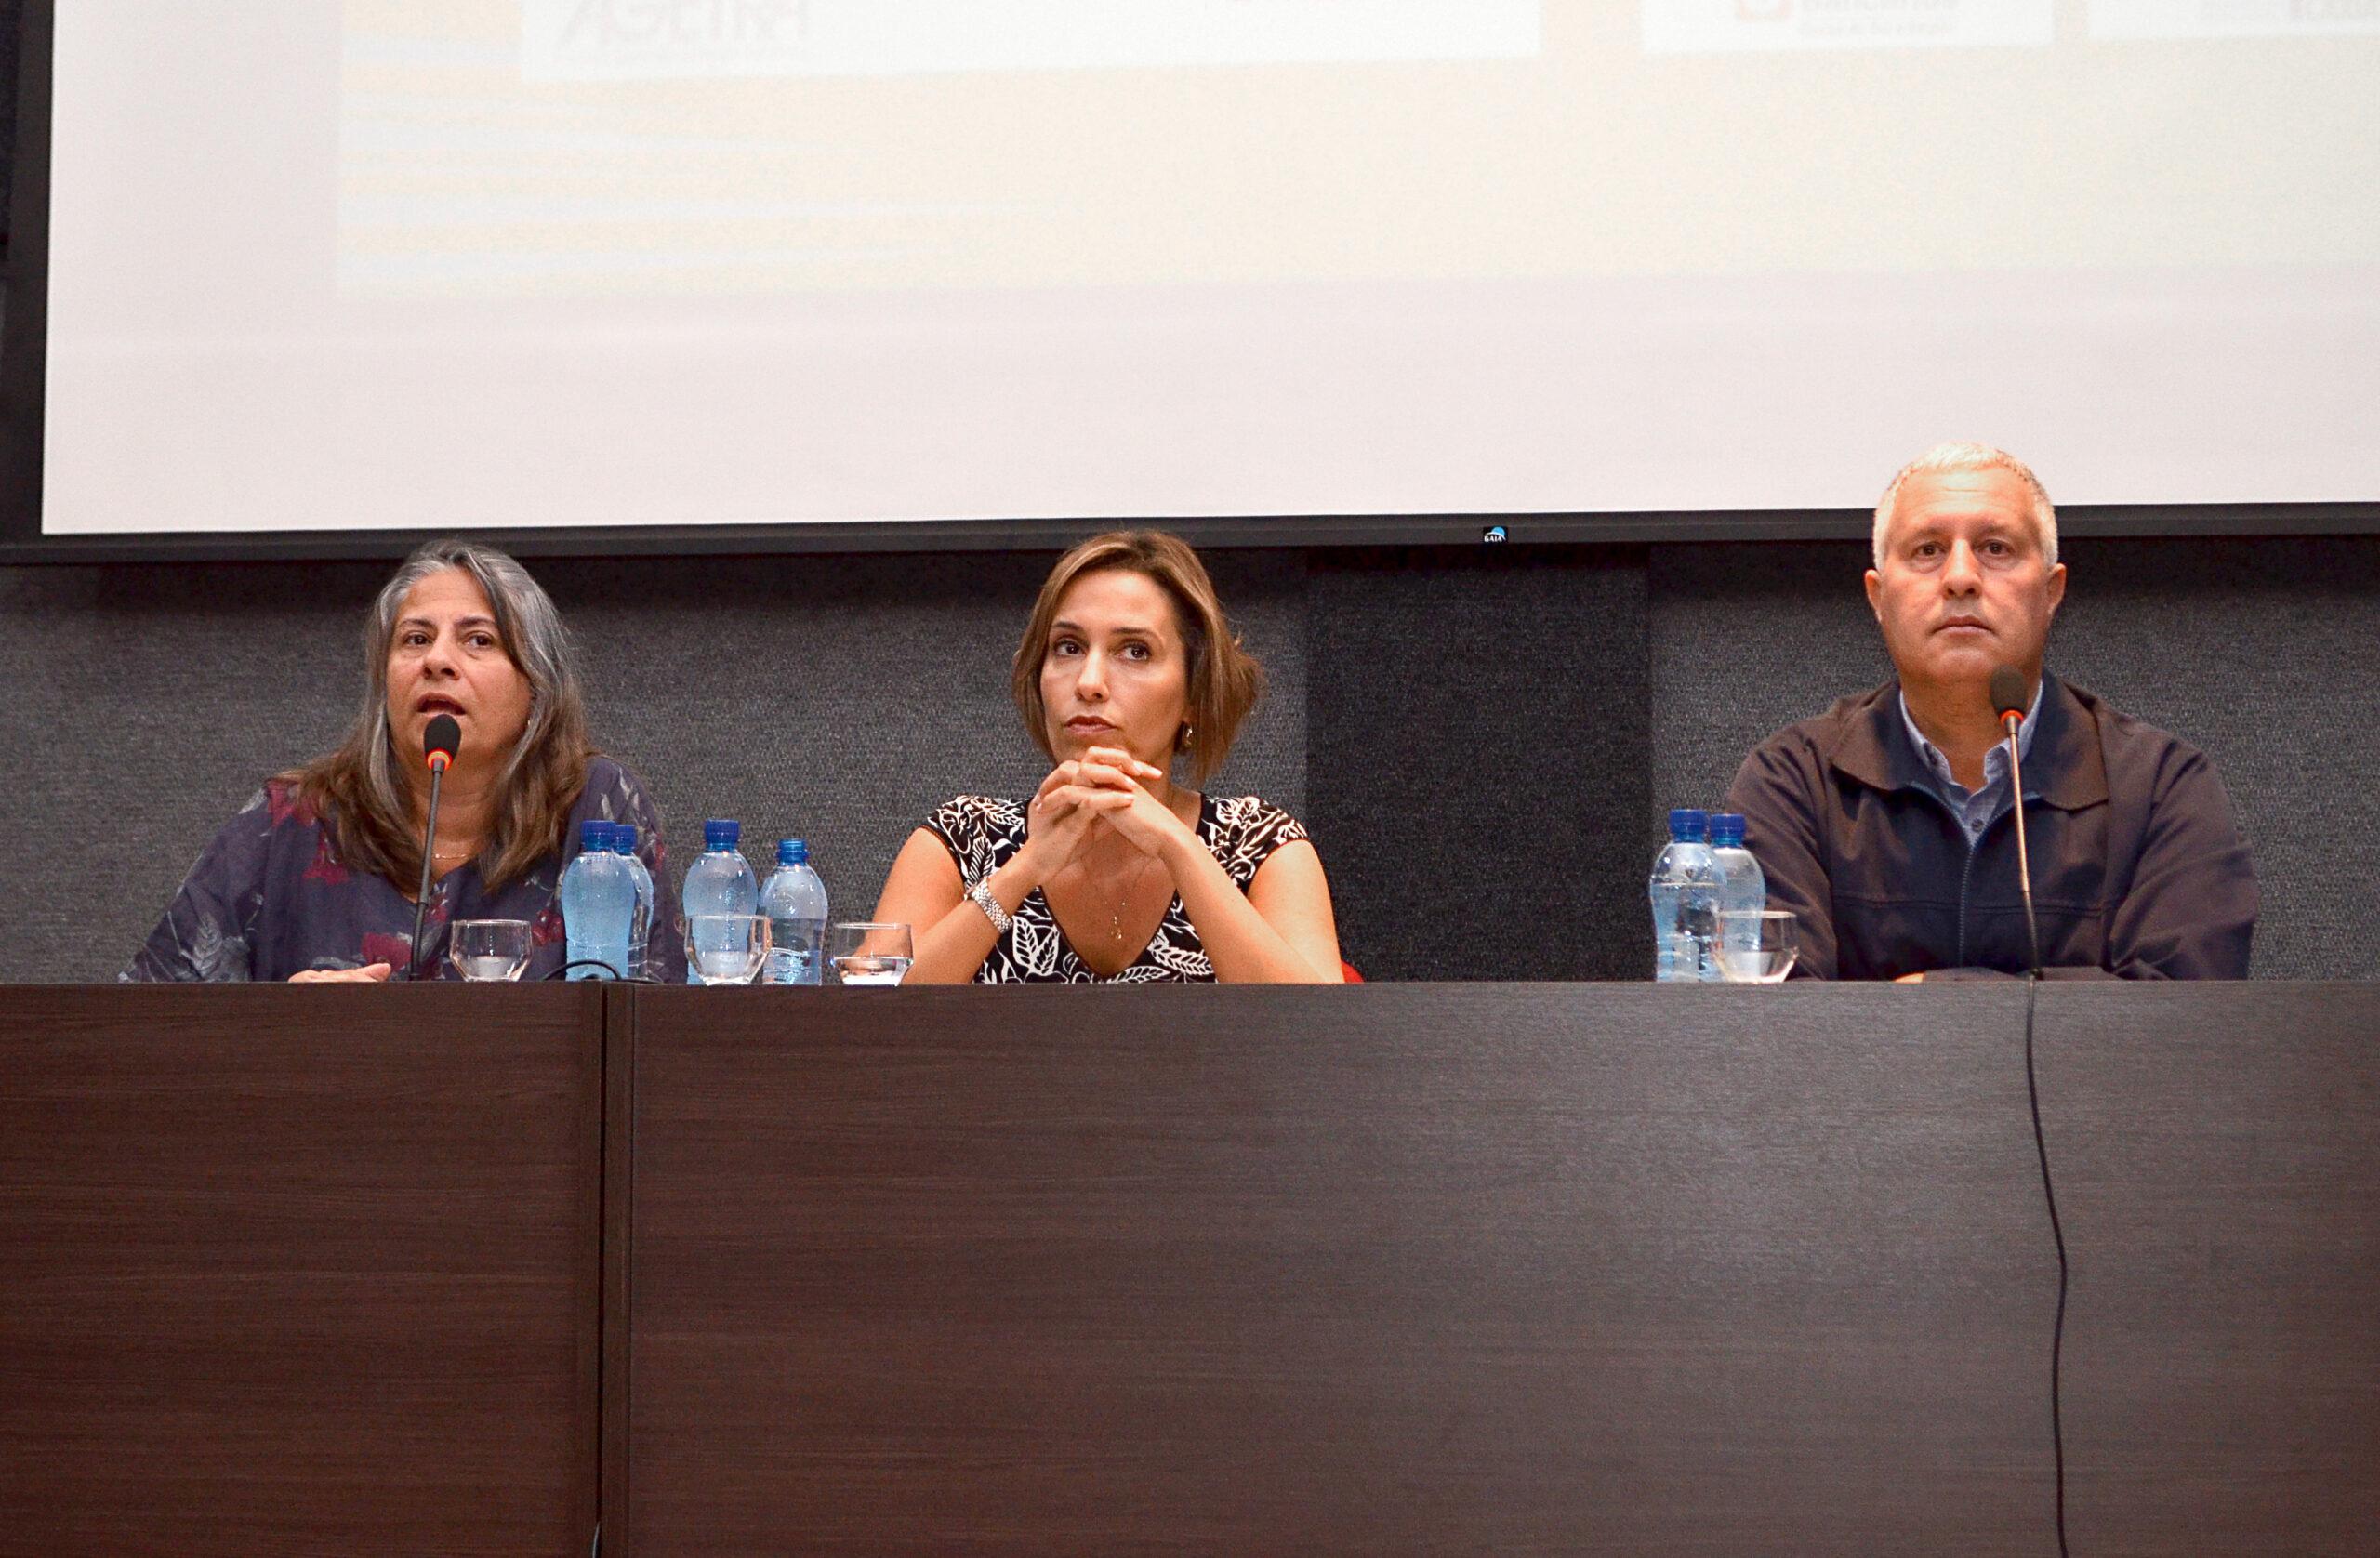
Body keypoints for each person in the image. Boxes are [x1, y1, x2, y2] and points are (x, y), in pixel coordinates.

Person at [1724, 442, 2256, 981]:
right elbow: (1779, 1025)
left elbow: (2186, 1015)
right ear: (1878, 598)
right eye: (1927, 550)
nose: (1961, 577)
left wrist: (1934, 993)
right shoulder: (1795, 781)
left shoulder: (2160, 786)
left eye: (1996, 548)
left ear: (2051, 592)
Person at [125, 540, 681, 983]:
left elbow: (653, 1032)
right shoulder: (292, 821)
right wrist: (281, 1029)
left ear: (536, 686)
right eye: (415, 639)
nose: (438, 660)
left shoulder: (594, 809)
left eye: (479, 641)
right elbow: (146, 1030)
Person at [875, 531, 1343, 983]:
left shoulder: (1257, 845)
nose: (1088, 682)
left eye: (1135, 651)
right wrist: (1022, 871)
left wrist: (1176, 846)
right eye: (1069, 647)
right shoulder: (964, 838)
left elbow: (1324, 1038)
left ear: (1194, 694)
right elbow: (862, 1027)